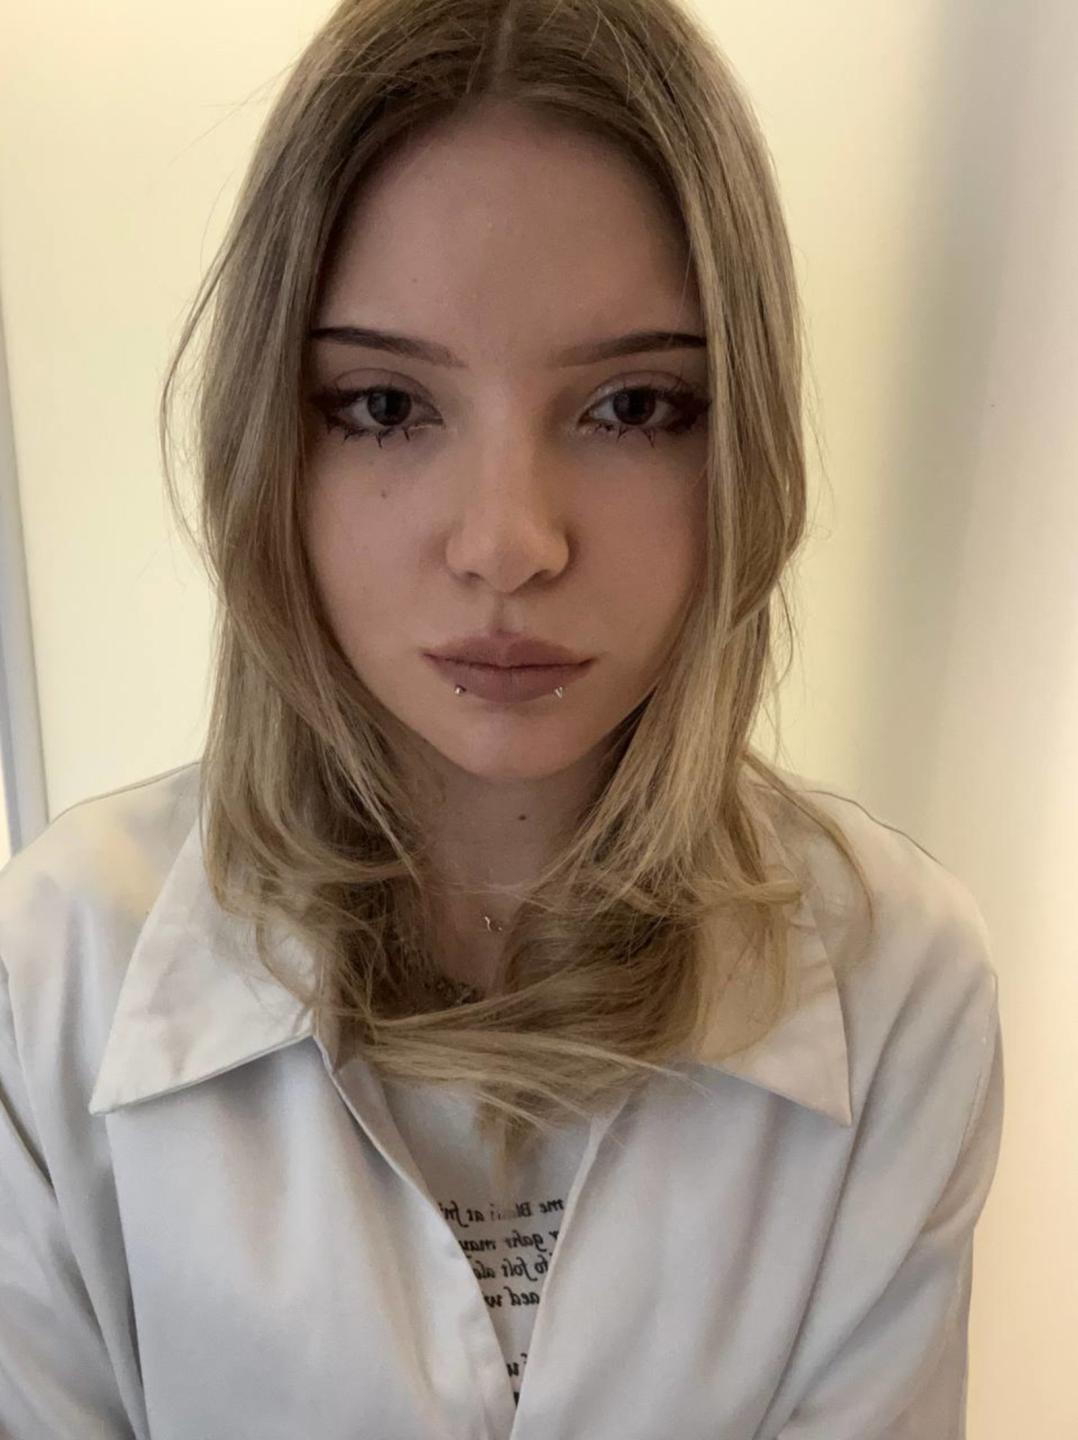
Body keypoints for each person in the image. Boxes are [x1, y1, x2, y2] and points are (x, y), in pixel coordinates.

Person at [0, 0, 1003, 1435]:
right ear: (268, 443)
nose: (508, 544)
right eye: (384, 406)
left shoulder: (898, 982)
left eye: (633, 407)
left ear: (747, 443)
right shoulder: (48, 974)